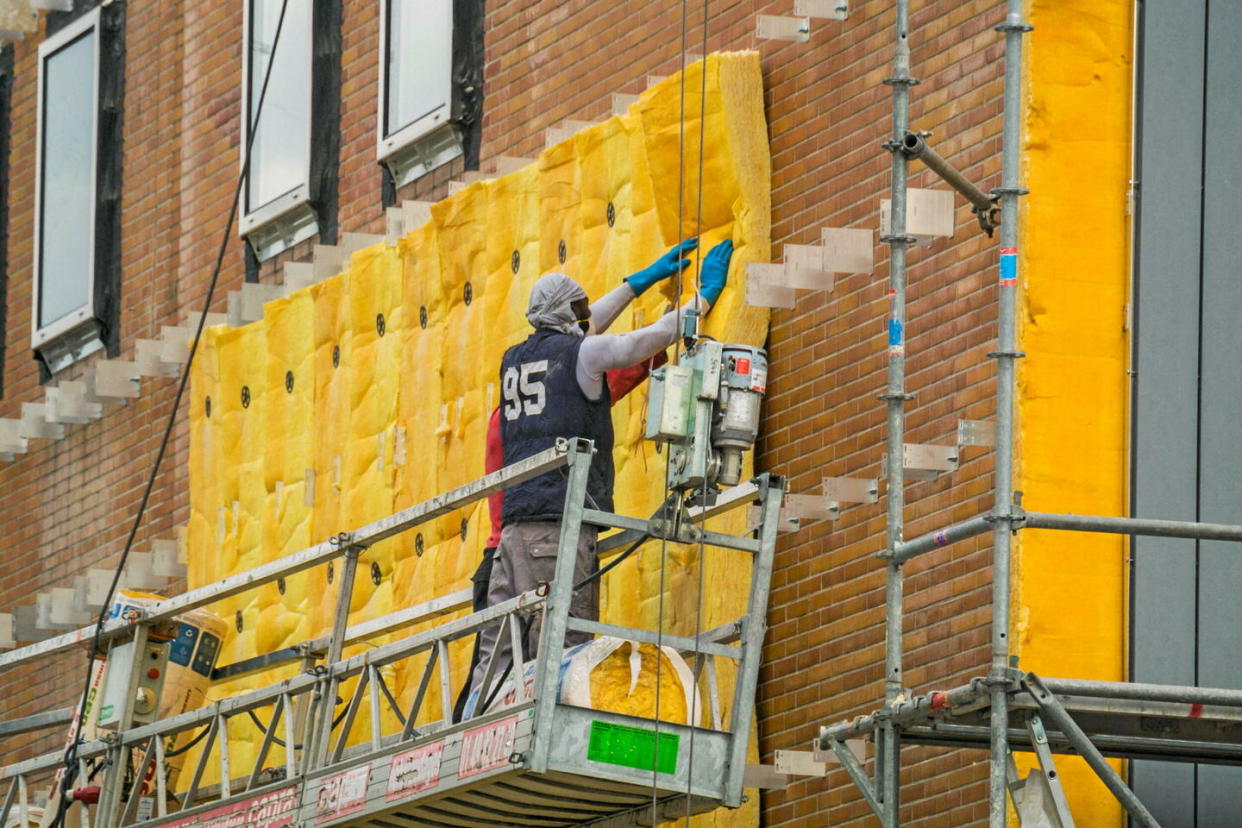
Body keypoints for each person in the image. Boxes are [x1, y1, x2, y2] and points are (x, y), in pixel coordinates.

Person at [468, 236, 733, 698]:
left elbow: (581, 339)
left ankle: (480, 724)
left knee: (501, 645)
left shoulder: (516, 360)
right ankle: (554, 723)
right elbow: (638, 342)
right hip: (556, 528)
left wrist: (637, 284)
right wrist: (702, 300)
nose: (586, 314)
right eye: (579, 307)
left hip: (514, 532)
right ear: (568, 312)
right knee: (563, 638)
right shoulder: (582, 356)